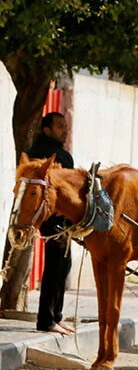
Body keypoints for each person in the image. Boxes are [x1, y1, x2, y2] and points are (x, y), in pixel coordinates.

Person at [27, 112, 76, 336]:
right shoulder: (45, 154)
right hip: (52, 220)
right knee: (54, 268)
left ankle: (56, 316)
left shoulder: (61, 154)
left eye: (65, 126)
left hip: (63, 221)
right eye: (60, 127)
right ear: (47, 129)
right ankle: (46, 320)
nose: (65, 130)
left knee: (63, 266)